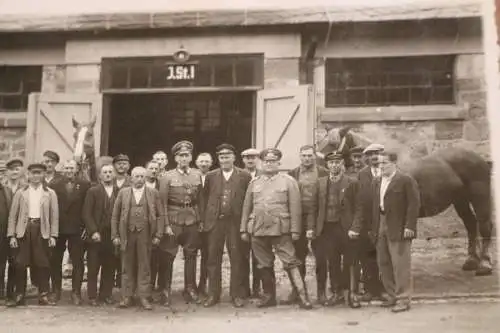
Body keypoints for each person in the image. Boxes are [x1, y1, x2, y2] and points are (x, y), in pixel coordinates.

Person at [240, 148, 312, 310]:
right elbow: (247, 207)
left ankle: (302, 296)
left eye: (272, 161)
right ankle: (269, 297)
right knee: (263, 264)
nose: (269, 164)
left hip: (281, 229)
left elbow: (295, 208)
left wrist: (295, 230)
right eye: (266, 161)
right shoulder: (254, 183)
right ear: (262, 163)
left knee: (291, 262)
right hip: (258, 229)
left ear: (279, 163)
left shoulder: (288, 181)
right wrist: (244, 229)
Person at [350, 150, 420, 313]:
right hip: (380, 224)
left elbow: (414, 205)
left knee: (400, 264)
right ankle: (392, 295)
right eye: (379, 163)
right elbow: (373, 206)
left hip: (398, 226)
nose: (381, 166)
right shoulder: (376, 181)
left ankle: (403, 298)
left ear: (394, 163)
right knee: (383, 262)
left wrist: (409, 226)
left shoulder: (405, 180)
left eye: (384, 163)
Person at [308, 151, 362, 308]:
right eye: (331, 163)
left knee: (351, 261)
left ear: (342, 164)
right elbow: (313, 208)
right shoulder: (320, 183)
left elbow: (359, 208)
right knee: (333, 261)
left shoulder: (352, 182)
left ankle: (352, 293)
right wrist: (311, 228)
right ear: (327, 165)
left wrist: (355, 227)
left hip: (346, 228)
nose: (334, 165)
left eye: (338, 162)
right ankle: (337, 292)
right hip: (327, 229)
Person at [202, 144, 252, 308]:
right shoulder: (211, 176)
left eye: (228, 156)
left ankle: (236, 294)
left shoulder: (244, 176)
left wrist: (246, 222)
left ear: (234, 158)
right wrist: (205, 220)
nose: (224, 160)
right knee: (212, 259)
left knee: (236, 258)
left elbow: (248, 199)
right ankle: (213, 294)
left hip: (235, 222)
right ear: (218, 159)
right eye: (222, 157)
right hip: (216, 222)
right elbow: (205, 198)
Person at [6, 163, 58, 307]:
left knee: (42, 263)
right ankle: (20, 294)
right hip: (23, 230)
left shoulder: (50, 193)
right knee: (20, 263)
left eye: (39, 173)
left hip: (42, 230)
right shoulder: (21, 193)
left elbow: (54, 217)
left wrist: (53, 235)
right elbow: (12, 216)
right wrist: (12, 236)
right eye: (33, 173)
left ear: (43, 175)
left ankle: (43, 295)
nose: (36, 176)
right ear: (28, 175)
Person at [158, 140, 203, 306]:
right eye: (181, 155)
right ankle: (165, 289)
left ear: (191, 157)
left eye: (187, 155)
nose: (184, 158)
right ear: (175, 158)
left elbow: (199, 200)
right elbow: (161, 203)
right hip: (173, 219)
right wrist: (165, 225)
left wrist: (200, 220)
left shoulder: (197, 175)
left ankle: (190, 288)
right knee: (168, 255)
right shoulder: (166, 177)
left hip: (191, 218)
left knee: (191, 254)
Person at [112, 167, 163, 310]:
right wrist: (115, 235)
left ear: (145, 177)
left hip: (145, 234)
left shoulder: (153, 193)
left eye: (142, 176)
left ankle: (144, 296)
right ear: (131, 178)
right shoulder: (123, 193)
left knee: (145, 265)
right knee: (126, 265)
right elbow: (115, 216)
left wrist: (158, 234)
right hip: (127, 234)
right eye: (137, 176)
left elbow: (160, 215)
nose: (139, 179)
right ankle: (127, 296)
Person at [287, 145, 328, 305]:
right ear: (300, 156)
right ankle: (297, 290)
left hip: (319, 219)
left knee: (321, 256)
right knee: (298, 256)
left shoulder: (323, 172)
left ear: (314, 156)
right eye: (304, 155)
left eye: (310, 155)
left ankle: (322, 292)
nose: (307, 158)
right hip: (299, 218)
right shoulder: (293, 174)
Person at [49, 159, 90, 305]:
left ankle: (76, 292)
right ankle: (56, 291)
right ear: (63, 170)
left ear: (76, 169)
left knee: (78, 261)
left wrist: (86, 227)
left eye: (71, 168)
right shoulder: (54, 184)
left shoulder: (85, 185)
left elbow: (87, 207)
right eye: (66, 168)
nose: (69, 171)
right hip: (58, 229)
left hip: (76, 229)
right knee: (55, 260)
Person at [352, 143, 386, 302]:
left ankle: (386, 289)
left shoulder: (390, 172)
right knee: (367, 257)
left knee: (385, 257)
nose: (374, 157)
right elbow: (359, 202)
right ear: (367, 157)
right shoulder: (362, 175)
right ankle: (370, 289)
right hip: (367, 223)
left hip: (386, 222)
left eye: (378, 153)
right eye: (371, 154)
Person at [83, 164, 117, 306]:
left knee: (109, 266)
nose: (108, 174)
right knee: (93, 266)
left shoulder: (120, 191)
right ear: (100, 176)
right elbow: (86, 213)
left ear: (114, 174)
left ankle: (106, 294)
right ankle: (92, 295)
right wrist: (93, 231)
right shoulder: (93, 191)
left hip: (112, 234)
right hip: (97, 234)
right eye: (105, 172)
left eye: (110, 172)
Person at [195, 152, 213, 297]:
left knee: (207, 254)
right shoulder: (192, 176)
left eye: (207, 161)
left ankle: (203, 284)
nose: (204, 164)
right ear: (196, 162)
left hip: (209, 221)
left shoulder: (214, 177)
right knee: (191, 254)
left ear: (211, 163)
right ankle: (190, 286)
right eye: (201, 161)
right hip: (193, 220)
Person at [112, 153, 131, 289]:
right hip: (111, 222)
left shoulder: (132, 181)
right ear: (114, 166)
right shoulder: (108, 179)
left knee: (124, 253)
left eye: (124, 163)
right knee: (111, 253)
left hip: (126, 223)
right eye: (119, 163)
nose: (121, 166)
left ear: (129, 166)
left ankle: (121, 282)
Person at [0, 160, 14, 301]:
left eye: (2, 172)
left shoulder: (7, 191)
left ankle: (1, 292)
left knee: (2, 264)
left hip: (3, 235)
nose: (0, 175)